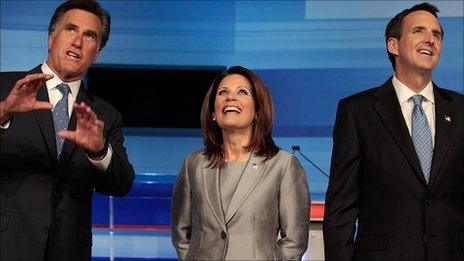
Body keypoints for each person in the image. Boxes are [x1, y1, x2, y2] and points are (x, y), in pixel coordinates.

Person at [323, 2, 463, 260]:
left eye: (437, 34)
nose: (430, 40)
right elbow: (341, 210)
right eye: (419, 31)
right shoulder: (357, 112)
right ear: (393, 45)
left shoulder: (461, 109)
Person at [0, 0, 135, 260]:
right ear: (51, 38)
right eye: (70, 29)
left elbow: (122, 184)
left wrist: (99, 151)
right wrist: (4, 111)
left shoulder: (105, 115)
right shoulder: (5, 87)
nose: (78, 41)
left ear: (96, 52)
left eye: (90, 36)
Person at [171, 66, 310, 260]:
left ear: (258, 111)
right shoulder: (192, 164)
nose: (230, 98)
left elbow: (295, 241)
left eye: (242, 92)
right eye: (223, 93)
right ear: (213, 112)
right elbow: (181, 234)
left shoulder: (283, 165)